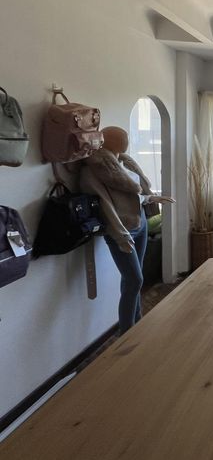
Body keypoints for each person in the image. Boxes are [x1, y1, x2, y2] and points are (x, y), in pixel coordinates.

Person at [80, 126, 174, 334]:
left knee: (133, 280)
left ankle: (137, 325)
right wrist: (120, 235)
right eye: (121, 137)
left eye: (126, 136)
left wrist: (150, 198)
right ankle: (126, 334)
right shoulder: (94, 169)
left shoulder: (123, 163)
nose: (126, 140)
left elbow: (133, 196)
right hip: (122, 229)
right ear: (106, 140)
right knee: (134, 279)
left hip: (139, 223)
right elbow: (105, 205)